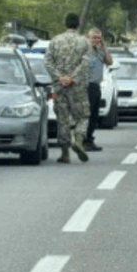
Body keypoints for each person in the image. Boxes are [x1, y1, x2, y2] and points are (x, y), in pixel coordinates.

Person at [44, 13, 91, 164]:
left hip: (59, 87)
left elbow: (48, 62)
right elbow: (85, 63)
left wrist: (60, 77)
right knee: (82, 116)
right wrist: (73, 77)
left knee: (62, 119)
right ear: (77, 24)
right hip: (77, 86)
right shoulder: (84, 41)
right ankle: (78, 140)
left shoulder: (55, 40)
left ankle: (65, 153)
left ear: (65, 24)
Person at [84, 28, 113, 152]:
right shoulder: (84, 51)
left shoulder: (101, 51)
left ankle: (89, 139)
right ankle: (84, 140)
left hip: (96, 86)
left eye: (98, 38)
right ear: (88, 38)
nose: (96, 40)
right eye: (94, 38)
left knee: (95, 116)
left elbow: (110, 62)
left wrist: (104, 46)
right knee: (87, 115)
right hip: (86, 86)